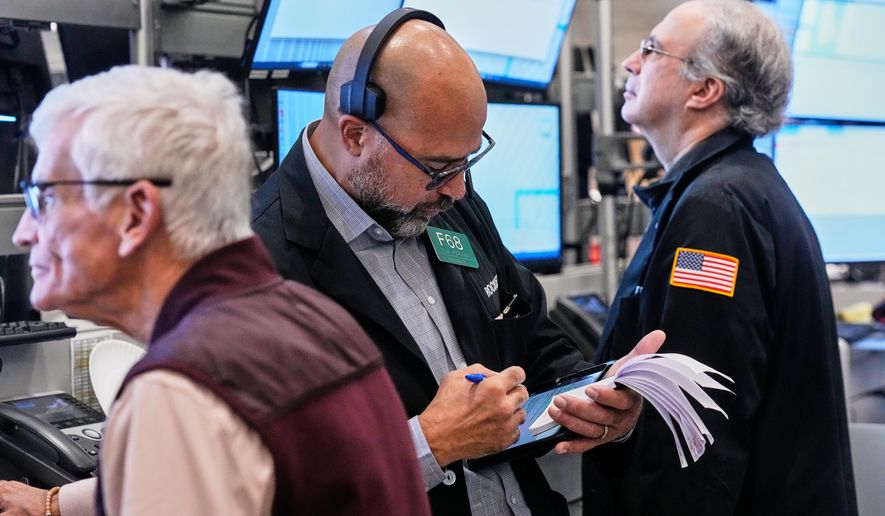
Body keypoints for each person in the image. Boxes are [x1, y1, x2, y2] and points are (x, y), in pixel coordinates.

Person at [251, 8, 664, 516]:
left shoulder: (448, 203)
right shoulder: (259, 265)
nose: (459, 188)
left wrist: (593, 395)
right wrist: (429, 442)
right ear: (356, 135)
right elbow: (264, 482)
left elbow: (529, 335)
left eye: (468, 159)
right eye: (439, 168)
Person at [0, 65, 430, 516]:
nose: (25, 233)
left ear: (135, 214)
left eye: (44, 199)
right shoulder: (312, 319)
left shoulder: (180, 392)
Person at [582, 1, 857, 515]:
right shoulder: (735, 188)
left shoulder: (716, 211)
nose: (629, 63)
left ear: (704, 90)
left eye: (651, 50)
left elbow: (697, 435)